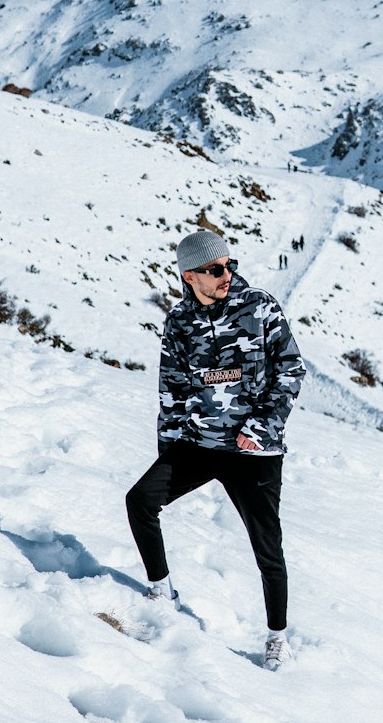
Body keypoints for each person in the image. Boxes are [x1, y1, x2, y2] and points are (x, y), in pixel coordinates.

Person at [125, 230, 305, 670]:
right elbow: (171, 390)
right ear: (190, 277)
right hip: (198, 444)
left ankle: (277, 637)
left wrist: (263, 427)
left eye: (229, 264)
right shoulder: (180, 323)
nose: (226, 274)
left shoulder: (259, 308)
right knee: (141, 501)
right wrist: (168, 450)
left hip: (254, 451)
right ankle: (162, 590)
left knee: (267, 547)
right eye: (214, 269)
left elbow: (291, 367)